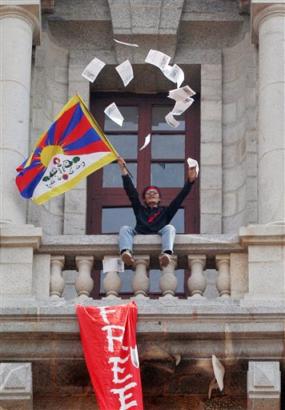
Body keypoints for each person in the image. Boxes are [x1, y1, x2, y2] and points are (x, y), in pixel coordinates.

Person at [117, 156, 198, 267]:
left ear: (159, 199)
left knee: (170, 228)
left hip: (159, 232)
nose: (151, 195)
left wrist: (190, 182)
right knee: (125, 229)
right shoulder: (140, 210)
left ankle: (166, 253)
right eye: (148, 194)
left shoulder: (165, 212)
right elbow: (131, 192)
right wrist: (123, 170)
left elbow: (180, 198)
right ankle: (126, 252)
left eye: (154, 193)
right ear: (144, 199)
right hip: (140, 232)